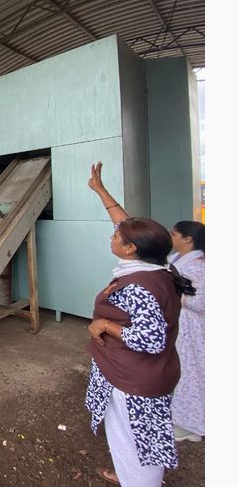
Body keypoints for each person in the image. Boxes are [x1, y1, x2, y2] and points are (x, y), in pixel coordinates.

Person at [84, 162, 194, 486]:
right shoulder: (160, 265)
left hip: (133, 379)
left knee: (136, 442)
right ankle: (132, 476)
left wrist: (105, 324)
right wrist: (100, 190)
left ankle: (140, 481)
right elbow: (126, 223)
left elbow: (150, 339)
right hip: (143, 375)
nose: (113, 234)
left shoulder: (140, 285)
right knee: (135, 439)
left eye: (117, 236)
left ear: (131, 249)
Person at [169, 220, 205, 443]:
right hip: (178, 324)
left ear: (188, 239)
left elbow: (201, 301)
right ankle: (182, 417)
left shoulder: (198, 267)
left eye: (174, 234)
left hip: (192, 328)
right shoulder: (177, 259)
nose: (170, 237)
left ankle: (191, 423)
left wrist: (172, 293)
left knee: (190, 372)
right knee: (178, 370)